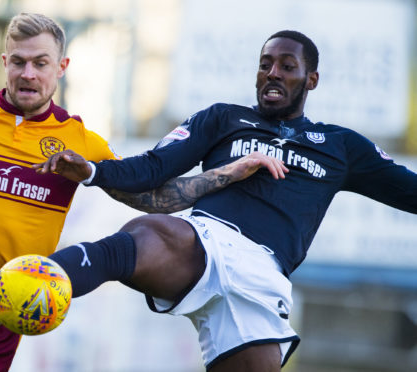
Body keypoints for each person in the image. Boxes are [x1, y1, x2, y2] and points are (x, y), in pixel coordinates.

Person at [0, 13, 286, 371]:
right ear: (4, 63)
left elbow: (155, 198)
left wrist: (232, 171)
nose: (28, 73)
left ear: (60, 68)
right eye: (19, 62)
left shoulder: (81, 144)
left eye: (40, 63)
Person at [34, 30, 417, 371]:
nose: (273, 73)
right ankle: (33, 280)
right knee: (141, 236)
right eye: (265, 64)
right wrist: (93, 171)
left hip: (263, 278)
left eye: (287, 66)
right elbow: (152, 168)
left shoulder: (341, 146)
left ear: (310, 79)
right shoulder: (222, 119)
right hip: (206, 242)